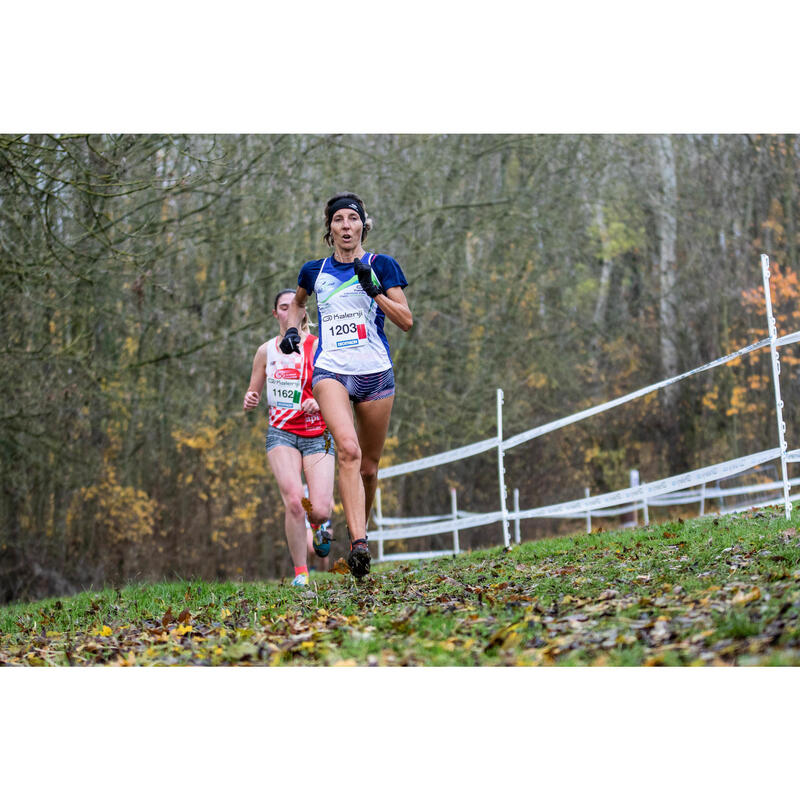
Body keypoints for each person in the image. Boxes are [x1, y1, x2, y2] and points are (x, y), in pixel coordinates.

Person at [279, 192, 412, 578]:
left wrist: (375, 291)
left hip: (375, 373)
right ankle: (358, 546)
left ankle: (360, 531)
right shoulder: (313, 271)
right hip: (331, 371)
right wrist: (292, 330)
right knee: (349, 451)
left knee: (369, 468)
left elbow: (406, 320)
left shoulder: (381, 265)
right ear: (330, 229)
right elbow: (298, 305)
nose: (346, 226)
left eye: (353, 218)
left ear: (363, 225)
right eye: (339, 220)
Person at [243, 289, 335, 587]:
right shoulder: (265, 351)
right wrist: (250, 398)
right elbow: (253, 390)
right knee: (295, 501)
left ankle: (321, 524)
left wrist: (319, 402)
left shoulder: (319, 347)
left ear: (303, 312)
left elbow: (336, 391)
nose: (288, 312)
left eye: (294, 307)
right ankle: (301, 573)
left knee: (319, 509)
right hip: (281, 434)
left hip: (316, 432)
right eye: (283, 307)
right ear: (276, 314)